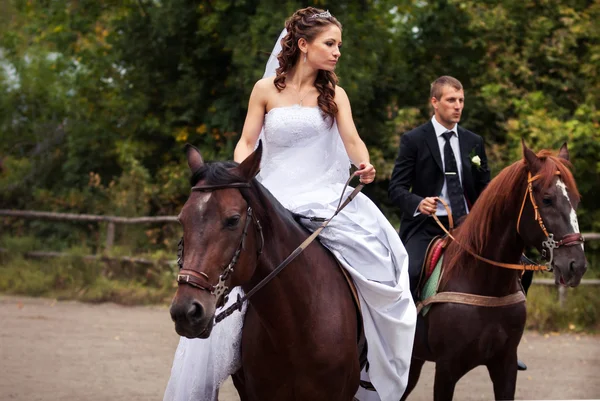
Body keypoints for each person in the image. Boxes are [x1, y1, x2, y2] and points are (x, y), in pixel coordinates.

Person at [163, 7, 417, 401]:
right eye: (329, 44)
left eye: (339, 45)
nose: (336, 52)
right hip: (270, 191)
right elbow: (248, 142)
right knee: (231, 265)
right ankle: (221, 351)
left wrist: (363, 163)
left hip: (322, 192)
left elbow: (351, 140)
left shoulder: (335, 95)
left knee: (382, 261)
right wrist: (240, 173)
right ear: (303, 45)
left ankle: (369, 359)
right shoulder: (264, 90)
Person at [388, 75, 491, 297]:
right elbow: (396, 188)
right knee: (410, 273)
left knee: (520, 266)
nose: (458, 106)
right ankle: (410, 327)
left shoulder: (474, 142)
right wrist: (419, 203)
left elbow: (485, 187)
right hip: (427, 225)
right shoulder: (413, 140)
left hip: (469, 224)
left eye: (461, 100)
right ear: (435, 102)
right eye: (451, 100)